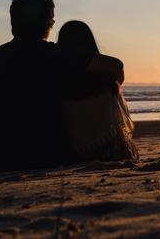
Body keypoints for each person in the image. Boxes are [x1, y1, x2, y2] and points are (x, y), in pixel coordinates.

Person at [0, 0, 125, 172]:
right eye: (52, 20)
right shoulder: (58, 55)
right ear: (47, 24)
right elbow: (116, 66)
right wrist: (113, 90)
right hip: (48, 156)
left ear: (13, 23)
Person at [57, 20, 139, 162]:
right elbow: (118, 66)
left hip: (72, 146)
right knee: (113, 88)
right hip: (106, 144)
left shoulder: (57, 71)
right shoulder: (104, 78)